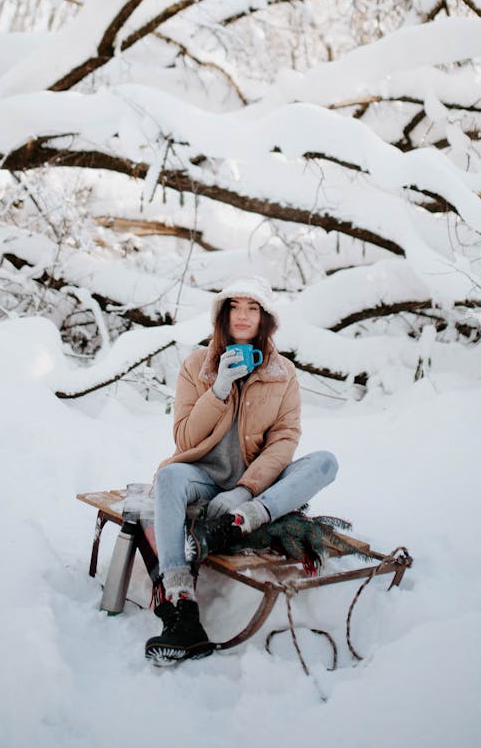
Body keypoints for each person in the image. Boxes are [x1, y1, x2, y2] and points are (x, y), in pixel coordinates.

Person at [145, 276, 338, 665]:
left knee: (324, 463)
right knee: (168, 477)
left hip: (254, 486)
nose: (244, 316)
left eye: (253, 308)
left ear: (266, 318)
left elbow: (284, 440)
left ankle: (238, 523)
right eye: (235, 307)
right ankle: (182, 610)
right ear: (222, 314)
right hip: (202, 475)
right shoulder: (196, 366)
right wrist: (218, 388)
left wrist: (246, 491)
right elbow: (184, 439)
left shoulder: (283, 373)